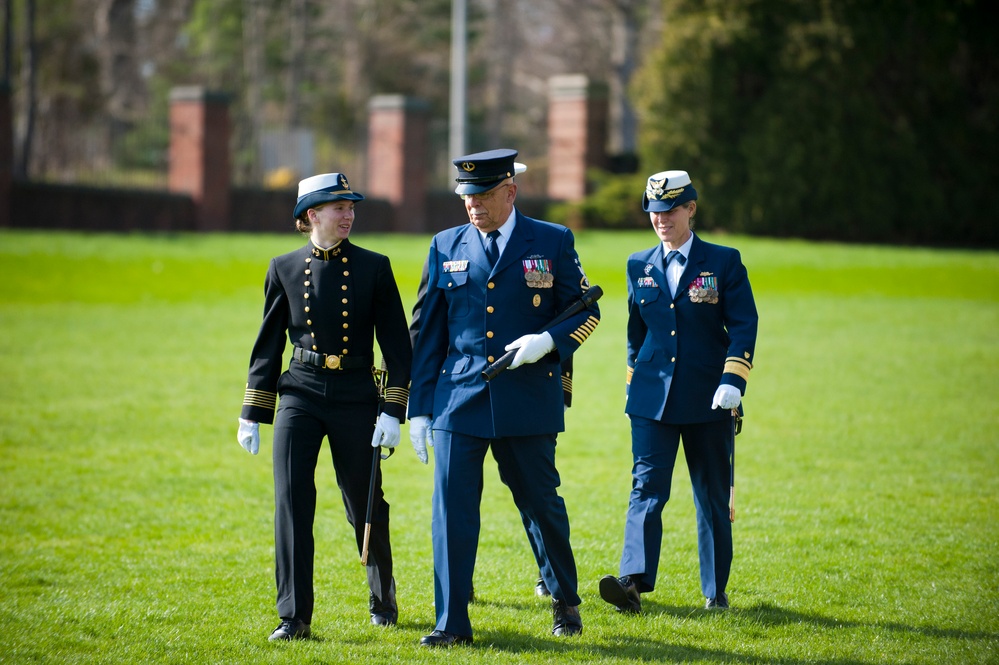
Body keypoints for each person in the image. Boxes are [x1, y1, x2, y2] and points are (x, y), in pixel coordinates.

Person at [408, 149, 600, 647]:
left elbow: (585, 312)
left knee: (541, 503)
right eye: (466, 196)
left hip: (528, 395)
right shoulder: (444, 243)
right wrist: (418, 409)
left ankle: (564, 600)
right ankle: (451, 622)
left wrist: (547, 342)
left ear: (510, 191)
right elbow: (426, 332)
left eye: (483, 194)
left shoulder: (552, 240)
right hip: (459, 396)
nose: (473, 204)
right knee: (450, 511)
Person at [236, 172, 412, 641]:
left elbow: (398, 348)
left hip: (357, 393)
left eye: (352, 207)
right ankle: (293, 617)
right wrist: (253, 411)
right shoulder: (284, 267)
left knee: (365, 500)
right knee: (292, 501)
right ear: (311, 215)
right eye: (339, 208)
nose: (349, 215)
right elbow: (268, 345)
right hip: (301, 393)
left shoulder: (375, 267)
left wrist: (393, 410)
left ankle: (382, 596)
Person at [598, 170, 758, 614]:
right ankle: (632, 581)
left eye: (669, 209)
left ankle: (715, 590)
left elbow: (744, 323)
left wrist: (734, 380)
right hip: (651, 399)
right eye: (653, 211)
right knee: (645, 489)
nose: (660, 219)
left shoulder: (724, 261)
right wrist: (636, 382)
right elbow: (635, 333)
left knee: (710, 493)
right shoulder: (638, 264)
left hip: (710, 395)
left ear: (690, 208)